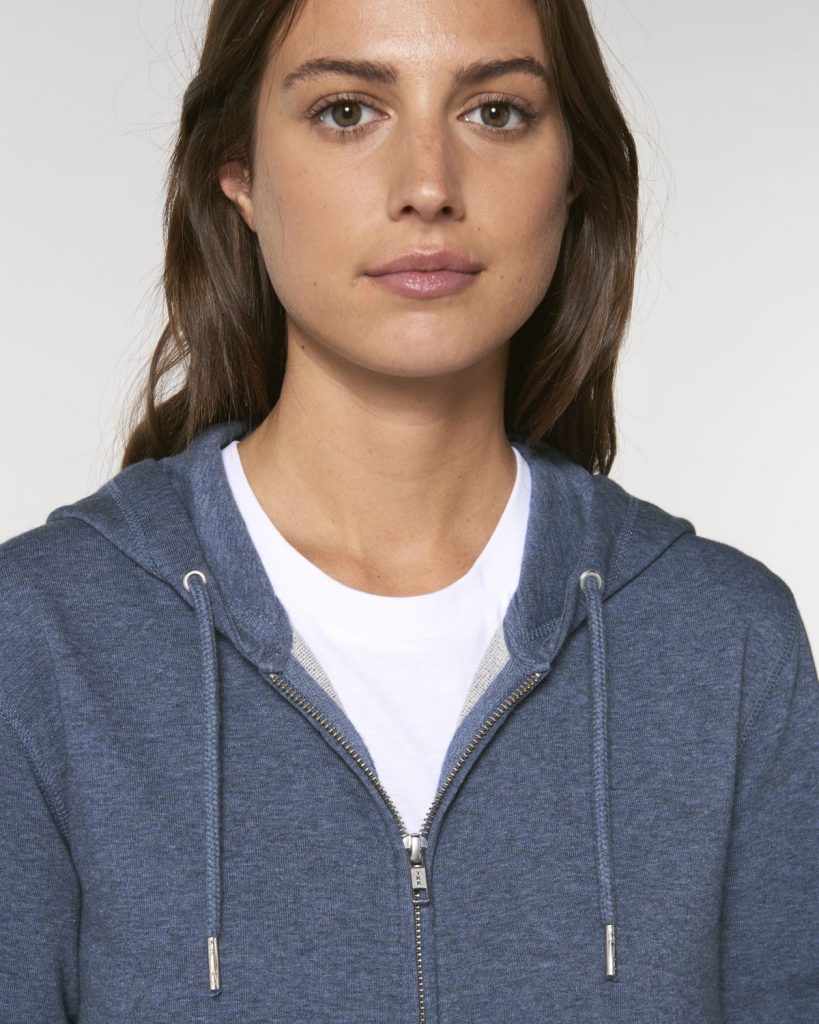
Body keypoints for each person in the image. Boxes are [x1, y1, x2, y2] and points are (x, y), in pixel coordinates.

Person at [1, 0, 816, 1020]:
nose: (428, 186)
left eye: (496, 112)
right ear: (236, 170)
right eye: (347, 111)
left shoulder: (725, 645)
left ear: (573, 171)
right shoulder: (40, 641)